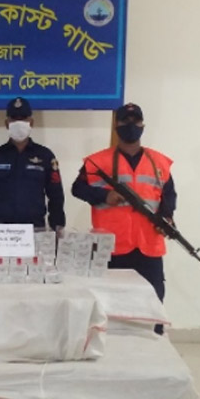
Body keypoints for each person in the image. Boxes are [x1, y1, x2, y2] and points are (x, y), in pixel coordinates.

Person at [71, 103, 176, 334]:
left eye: (135, 121)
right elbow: (77, 189)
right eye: (125, 121)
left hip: (149, 244)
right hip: (111, 246)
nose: (130, 125)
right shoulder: (97, 162)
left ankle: (154, 346)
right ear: (116, 125)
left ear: (142, 125)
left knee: (153, 303)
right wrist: (104, 195)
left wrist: (167, 218)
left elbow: (168, 196)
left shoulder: (159, 162)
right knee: (110, 305)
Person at [0, 97, 65, 231]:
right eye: (14, 119)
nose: (19, 123)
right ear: (7, 124)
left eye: (23, 119)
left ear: (31, 122)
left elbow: (56, 195)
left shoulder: (45, 156)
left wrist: (57, 227)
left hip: (35, 229)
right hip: (1, 230)